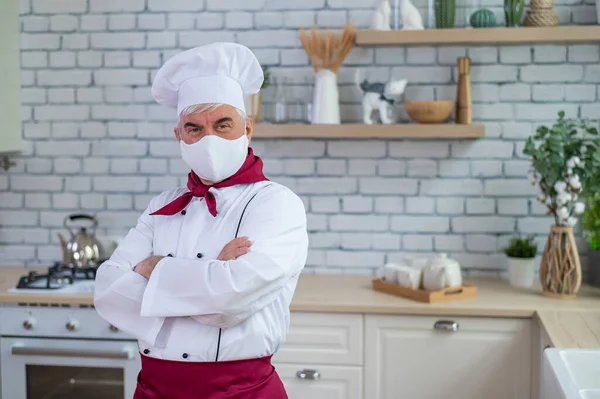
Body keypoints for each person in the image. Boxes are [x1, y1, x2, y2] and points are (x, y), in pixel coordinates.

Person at [93, 42, 308, 399]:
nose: (208, 139)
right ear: (179, 136)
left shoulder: (276, 204)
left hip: (242, 391)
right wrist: (212, 272)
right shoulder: (162, 205)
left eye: (223, 125)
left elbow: (230, 298)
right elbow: (109, 293)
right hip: (154, 390)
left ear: (247, 129)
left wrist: (153, 268)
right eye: (194, 128)